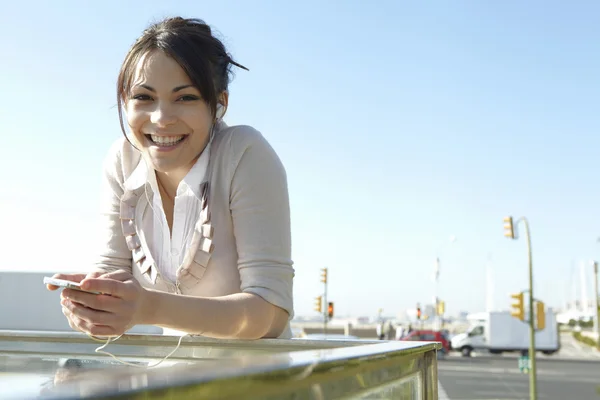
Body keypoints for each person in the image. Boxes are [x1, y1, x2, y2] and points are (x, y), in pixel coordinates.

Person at [47, 17, 294, 340]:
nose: (161, 119)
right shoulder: (123, 159)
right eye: (144, 97)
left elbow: (270, 314)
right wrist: (96, 305)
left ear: (218, 104)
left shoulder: (244, 153)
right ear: (125, 101)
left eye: (185, 97)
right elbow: (112, 275)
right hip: (171, 383)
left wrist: (148, 308)